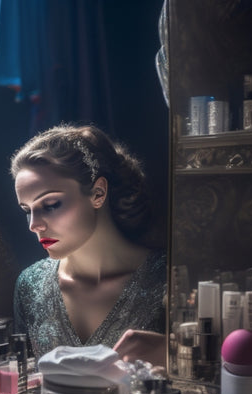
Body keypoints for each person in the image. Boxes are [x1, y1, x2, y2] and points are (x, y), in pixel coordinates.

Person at [11, 124, 167, 367]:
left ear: (98, 193)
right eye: (26, 210)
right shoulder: (29, 286)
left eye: (50, 204)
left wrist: (173, 353)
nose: (34, 224)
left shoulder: (169, 279)